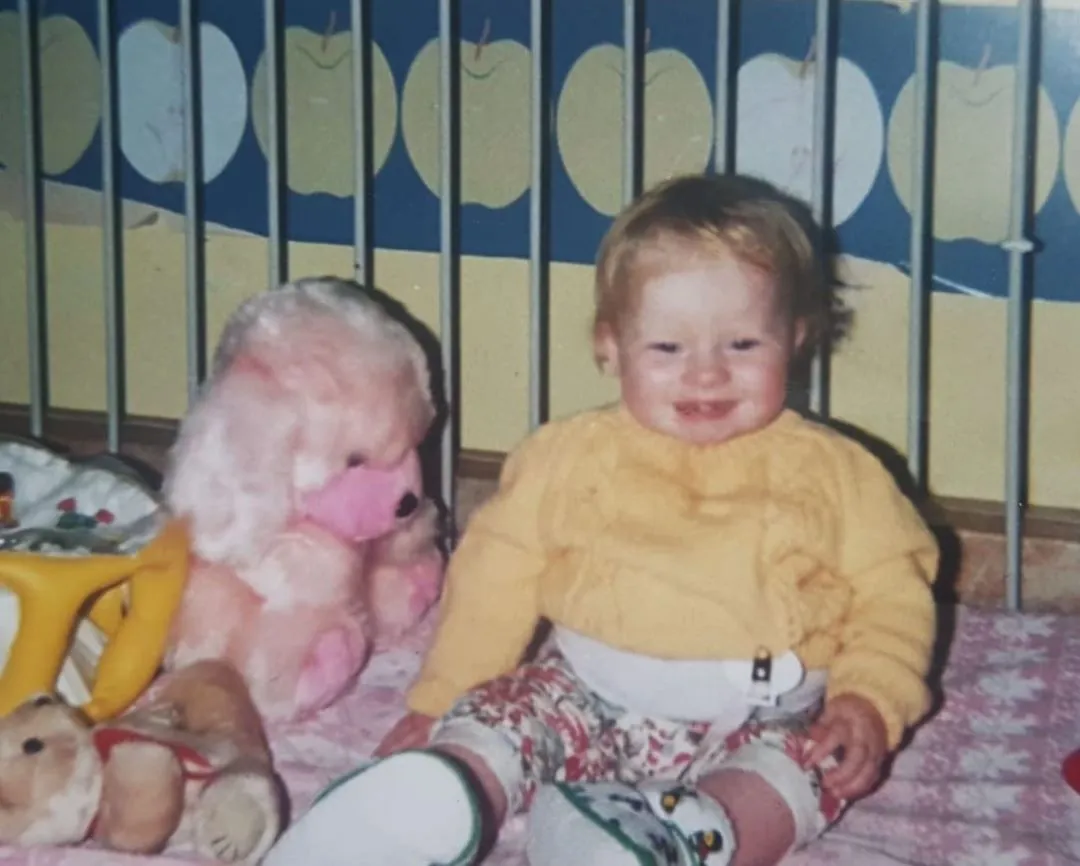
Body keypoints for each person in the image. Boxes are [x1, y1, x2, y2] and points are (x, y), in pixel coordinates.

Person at [263, 173, 940, 866]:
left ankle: (676, 840)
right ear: (611, 346)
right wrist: (440, 700)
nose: (705, 375)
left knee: (807, 773)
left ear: (794, 338)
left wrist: (869, 698)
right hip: (591, 692)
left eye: (741, 346)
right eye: (668, 350)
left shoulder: (840, 473)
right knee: (505, 716)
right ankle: (432, 804)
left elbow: (893, 592)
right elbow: (495, 576)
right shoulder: (571, 457)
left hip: (768, 714)